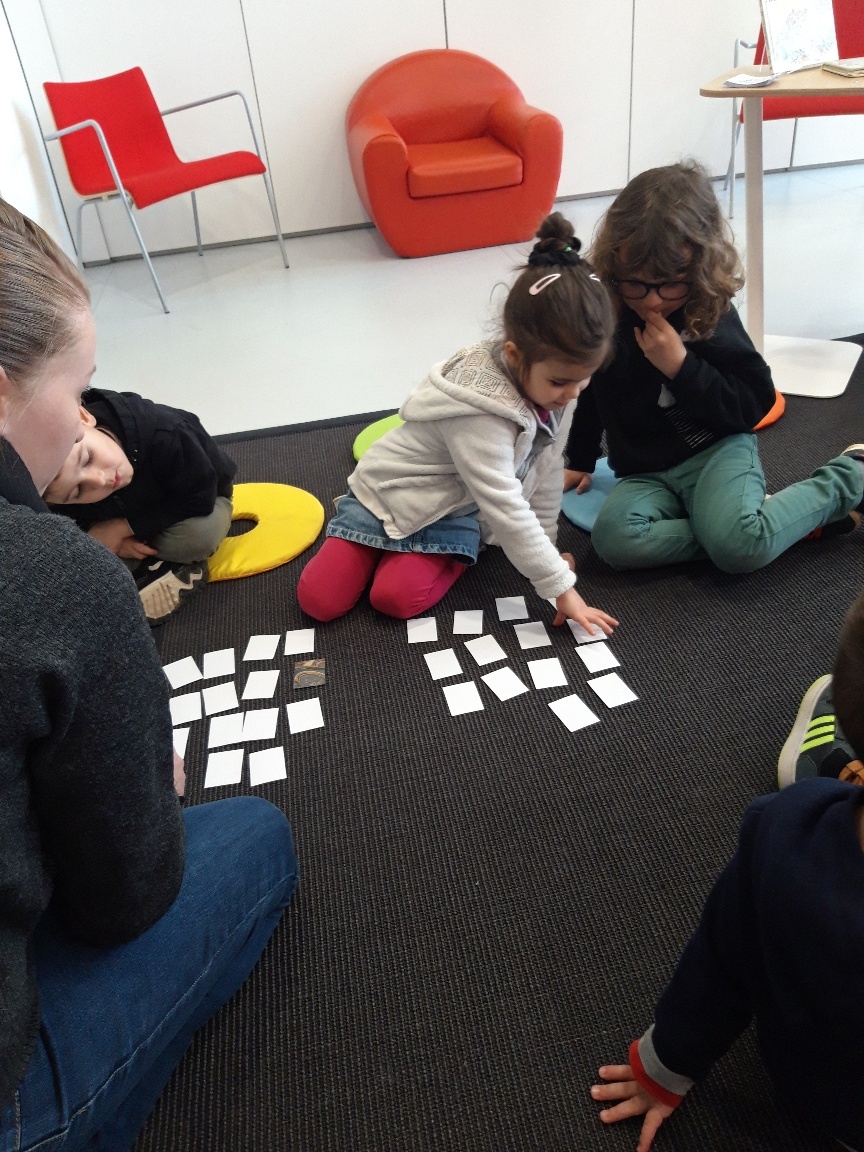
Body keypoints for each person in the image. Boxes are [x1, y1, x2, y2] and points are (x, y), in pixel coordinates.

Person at [0, 197, 299, 1151]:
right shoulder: (59, 578)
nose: (82, 419)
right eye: (75, 385)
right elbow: (125, 899)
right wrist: (144, 795)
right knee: (257, 837)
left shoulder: (127, 491)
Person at [590, 589, 864, 1152]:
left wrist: (666, 1064)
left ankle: (840, 755)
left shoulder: (784, 830)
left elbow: (722, 958)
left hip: (812, 1090)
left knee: (811, 793)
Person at [298, 213, 619, 634]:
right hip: (388, 495)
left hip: (451, 511)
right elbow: (505, 506)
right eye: (561, 382)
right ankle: (424, 549)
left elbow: (545, 469)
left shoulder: (558, 388)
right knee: (319, 600)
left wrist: (549, 550)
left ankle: (444, 553)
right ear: (514, 355)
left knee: (394, 599)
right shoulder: (483, 413)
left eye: (584, 379)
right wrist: (561, 589)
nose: (573, 393)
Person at [563, 161, 864, 573]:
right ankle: (775, 523)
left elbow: (755, 402)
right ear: (614, 267)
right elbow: (595, 390)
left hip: (714, 451)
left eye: (670, 284)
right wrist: (579, 458)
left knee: (737, 550)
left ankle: (852, 475)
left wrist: (682, 367)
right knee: (614, 541)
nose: (652, 300)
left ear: (699, 268)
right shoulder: (609, 309)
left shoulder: (708, 312)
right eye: (635, 283)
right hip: (644, 471)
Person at [44, 388, 236, 624]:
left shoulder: (166, 434)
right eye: (78, 491)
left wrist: (122, 529)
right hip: (122, 521)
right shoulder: (52, 488)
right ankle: (152, 569)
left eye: (88, 459)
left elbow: (198, 498)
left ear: (83, 417)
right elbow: (67, 523)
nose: (99, 480)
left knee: (199, 537)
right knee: (81, 563)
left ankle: (170, 567)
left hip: (194, 506)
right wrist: (106, 538)